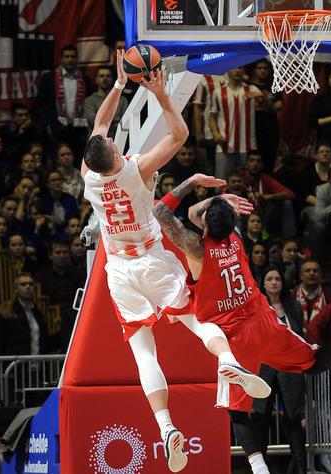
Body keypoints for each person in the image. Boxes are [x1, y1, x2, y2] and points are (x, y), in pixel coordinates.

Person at [82, 52, 266, 473]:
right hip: (152, 258)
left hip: (119, 272)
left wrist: (116, 85)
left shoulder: (90, 179)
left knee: (143, 353)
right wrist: (161, 94)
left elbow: (98, 127)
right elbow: (179, 135)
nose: (114, 140)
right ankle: (228, 363)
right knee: (198, 321)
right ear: (115, 155)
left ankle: (166, 428)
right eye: (114, 144)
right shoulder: (135, 169)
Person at [153, 174, 331, 474]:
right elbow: (199, 214)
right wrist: (219, 202)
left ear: (205, 225)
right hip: (264, 321)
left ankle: (260, 470)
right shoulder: (236, 237)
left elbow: (161, 212)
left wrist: (193, 181)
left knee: (238, 413)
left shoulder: (196, 247)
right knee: (312, 362)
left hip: (234, 337)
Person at [253, 267, 308, 474]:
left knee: (293, 419)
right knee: (261, 420)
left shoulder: (292, 306)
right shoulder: (256, 305)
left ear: (282, 283)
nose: (274, 282)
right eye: (269, 279)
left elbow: (300, 336)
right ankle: (260, 469)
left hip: (289, 369)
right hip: (264, 368)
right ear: (263, 284)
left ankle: (301, 468)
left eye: (277, 278)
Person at [35, 44, 89, 155]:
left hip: (79, 129)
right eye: (67, 56)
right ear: (61, 58)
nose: (70, 60)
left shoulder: (85, 79)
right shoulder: (49, 78)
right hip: (57, 128)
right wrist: (47, 124)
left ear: (77, 59)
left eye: (73, 57)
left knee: (79, 160)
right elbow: (39, 104)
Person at [0, 273, 49, 355]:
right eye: (23, 284)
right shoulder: (6, 314)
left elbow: (44, 342)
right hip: (15, 365)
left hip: (37, 364)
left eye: (31, 284)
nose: (28, 286)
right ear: (16, 289)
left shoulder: (38, 313)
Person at [84, 66, 129, 137]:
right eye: (101, 76)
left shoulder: (122, 100)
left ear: (112, 79)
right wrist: (116, 120)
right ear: (96, 80)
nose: (105, 78)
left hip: (118, 140)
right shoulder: (89, 101)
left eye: (108, 76)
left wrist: (104, 121)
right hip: (96, 143)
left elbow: (125, 123)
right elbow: (93, 122)